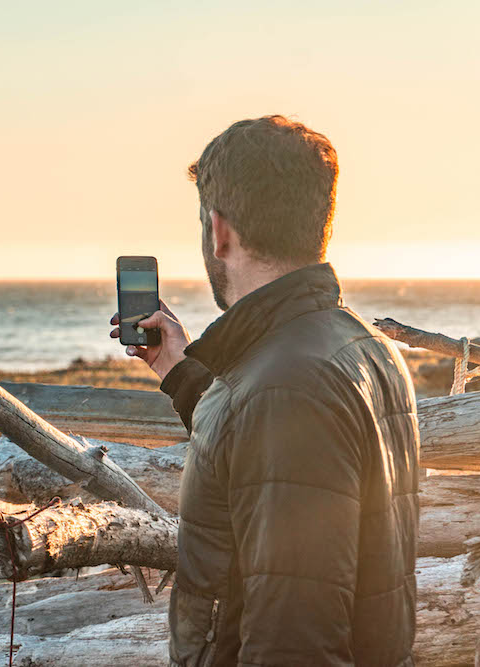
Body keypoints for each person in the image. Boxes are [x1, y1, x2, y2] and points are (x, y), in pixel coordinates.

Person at [111, 116, 418, 666]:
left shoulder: (285, 390)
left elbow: (294, 644)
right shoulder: (364, 347)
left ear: (219, 230)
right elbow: (260, 460)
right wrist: (182, 373)